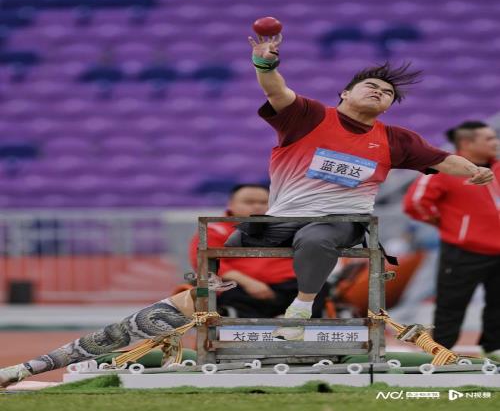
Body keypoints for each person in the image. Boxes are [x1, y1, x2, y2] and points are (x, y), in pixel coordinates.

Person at [225, 31, 494, 341]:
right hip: (287, 215)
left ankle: (300, 311)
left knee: (314, 239)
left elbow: (444, 160)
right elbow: (276, 90)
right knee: (229, 243)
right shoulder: (308, 116)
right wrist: (264, 64)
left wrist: (475, 169)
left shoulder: (395, 139)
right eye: (372, 86)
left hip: (342, 219)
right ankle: (198, 310)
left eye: (387, 93)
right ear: (344, 93)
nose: (380, 92)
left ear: (388, 106)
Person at [0, 280, 229, 388]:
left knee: (189, 358)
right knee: (111, 339)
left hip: (229, 353)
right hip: (212, 340)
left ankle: (100, 365)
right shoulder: (222, 249)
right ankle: (22, 370)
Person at [403, 121, 500, 361]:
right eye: (489, 138)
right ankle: (441, 351)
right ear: (466, 143)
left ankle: (494, 347)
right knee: (451, 304)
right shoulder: (445, 169)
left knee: (498, 303)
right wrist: (449, 225)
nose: (496, 142)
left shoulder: (498, 168)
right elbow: (415, 203)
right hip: (463, 250)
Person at [190, 184, 327, 318]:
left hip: (290, 287)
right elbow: (203, 263)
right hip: (240, 288)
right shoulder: (214, 231)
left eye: (263, 202)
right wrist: (249, 283)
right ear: (231, 204)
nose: (257, 206)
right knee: (224, 291)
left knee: (317, 286)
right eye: (249, 202)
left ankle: (292, 321)